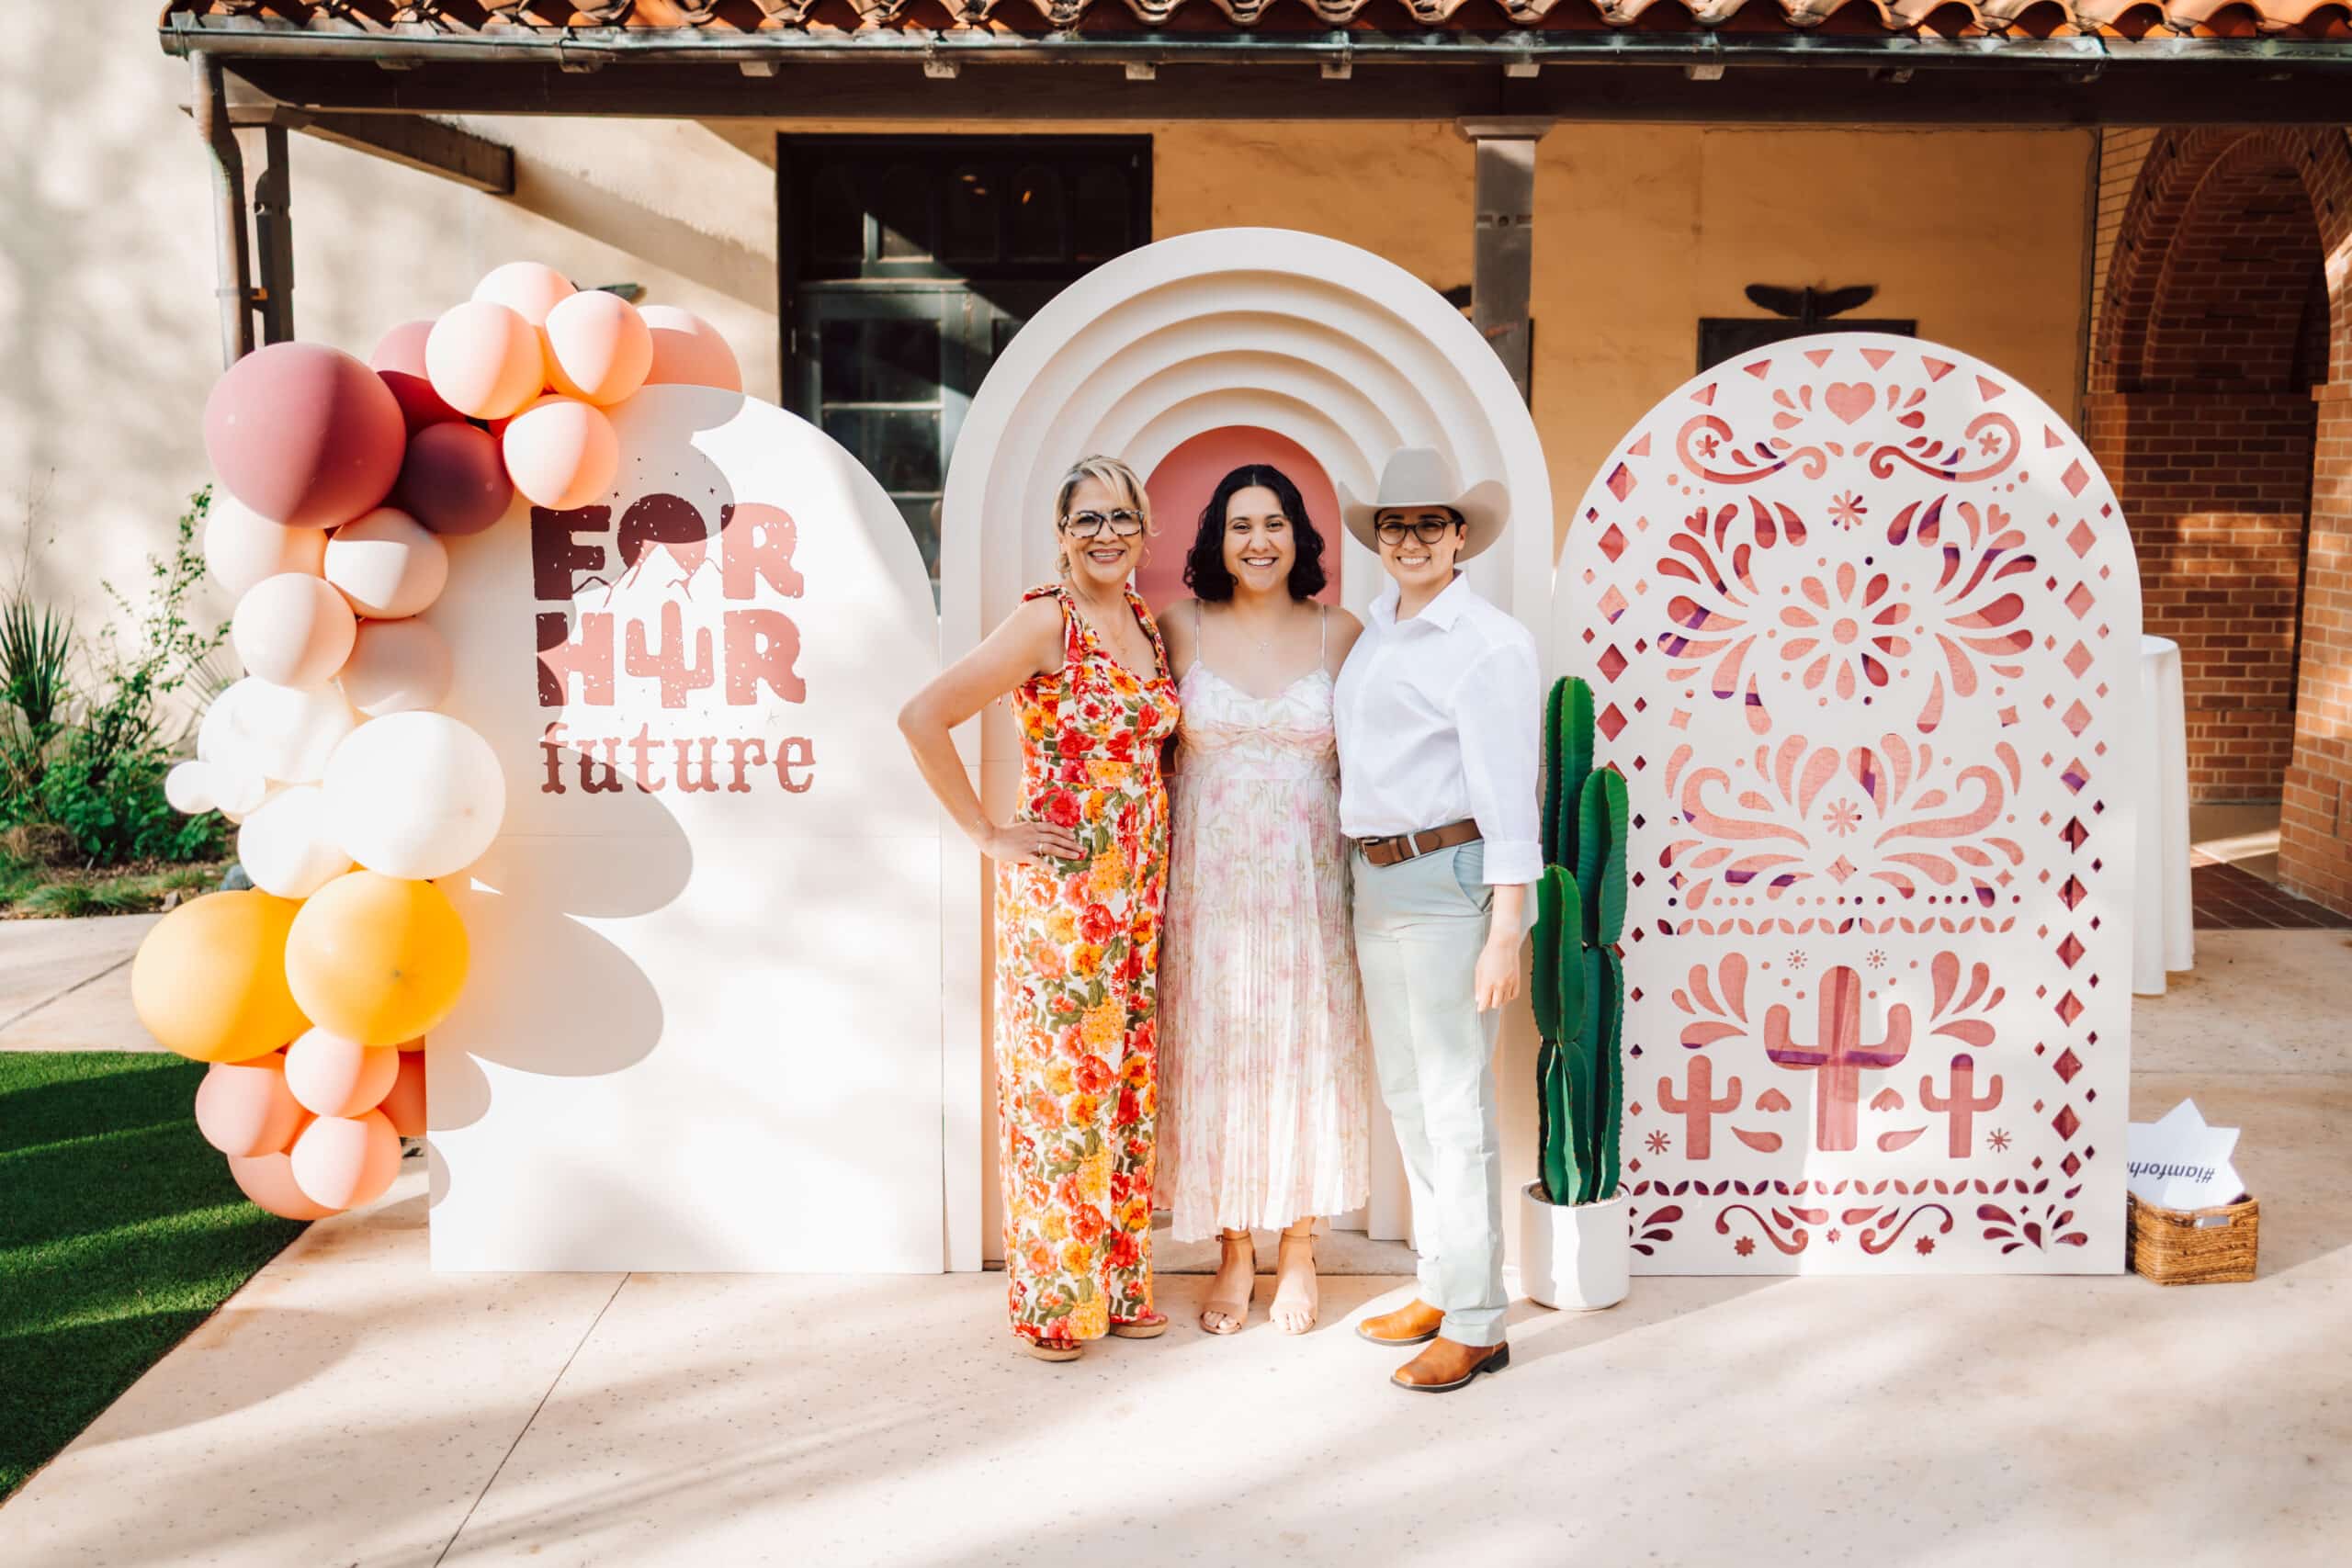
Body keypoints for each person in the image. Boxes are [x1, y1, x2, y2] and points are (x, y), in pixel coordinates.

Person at [898, 456, 1179, 1362]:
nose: (1106, 534)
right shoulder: (1045, 620)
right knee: (1064, 1096)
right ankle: (1055, 1304)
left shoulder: (1140, 620)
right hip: (1066, 905)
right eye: (1086, 519)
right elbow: (922, 716)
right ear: (1062, 535)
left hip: (1136, 898)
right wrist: (986, 833)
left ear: (1145, 530)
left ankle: (1118, 1285)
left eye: (1121, 517)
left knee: (1124, 1088)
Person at [1333, 447, 1539, 1393]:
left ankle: (1478, 1323)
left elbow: (1508, 794)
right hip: (1377, 881)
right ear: (1378, 537)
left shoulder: (1488, 643)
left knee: (1456, 1108)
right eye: (1394, 524)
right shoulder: (1379, 628)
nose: (1410, 539)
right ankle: (1440, 1283)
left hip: (1449, 881)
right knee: (1411, 1099)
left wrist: (1507, 929)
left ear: (1460, 536)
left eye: (1429, 523)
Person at [1157, 464, 1369, 1337]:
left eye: (1274, 523)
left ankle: (1303, 1246)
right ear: (1217, 537)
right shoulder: (1179, 625)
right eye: (1240, 524)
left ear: (1299, 536)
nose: (1258, 541)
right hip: (1208, 888)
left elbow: (1378, 757)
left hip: (1308, 886)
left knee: (1305, 1052)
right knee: (1218, 1054)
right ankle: (1235, 1247)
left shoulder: (1340, 632)